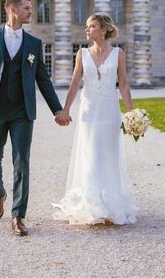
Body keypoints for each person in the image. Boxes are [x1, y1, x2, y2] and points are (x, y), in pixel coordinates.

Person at [0, 0, 71, 236]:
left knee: (21, 162)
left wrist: (57, 109)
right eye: (27, 8)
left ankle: (18, 215)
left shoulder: (34, 44)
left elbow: (43, 80)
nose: (31, 12)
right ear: (13, 10)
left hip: (23, 111)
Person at [53, 13, 138, 225]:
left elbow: (124, 84)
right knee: (90, 155)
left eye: (91, 26)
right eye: (87, 27)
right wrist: (65, 109)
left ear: (103, 29)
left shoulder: (118, 53)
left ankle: (110, 204)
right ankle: (92, 206)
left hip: (109, 111)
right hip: (88, 111)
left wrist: (131, 112)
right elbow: (74, 84)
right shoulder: (82, 53)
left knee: (108, 155)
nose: (87, 30)